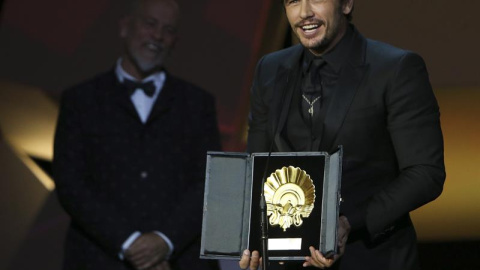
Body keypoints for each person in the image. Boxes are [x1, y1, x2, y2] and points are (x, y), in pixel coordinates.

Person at [239, 0, 445, 269]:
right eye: (292, 2)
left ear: (346, 4)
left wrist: (349, 222)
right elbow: (257, 168)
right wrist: (253, 240)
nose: (304, 13)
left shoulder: (396, 68)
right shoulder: (269, 69)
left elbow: (425, 172)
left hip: (373, 258)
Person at [53, 0, 221, 269]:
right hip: (98, 259)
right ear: (124, 27)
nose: (158, 36)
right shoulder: (81, 99)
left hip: (179, 261)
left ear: (175, 41)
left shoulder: (198, 104)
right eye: (150, 24)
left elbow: (210, 183)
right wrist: (131, 244)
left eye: (168, 30)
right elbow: (70, 183)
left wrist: (164, 242)